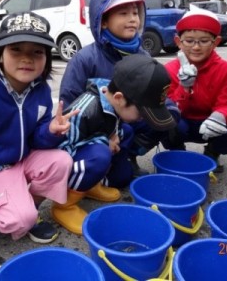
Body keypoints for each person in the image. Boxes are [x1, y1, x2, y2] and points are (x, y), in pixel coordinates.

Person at [0, 12, 78, 244]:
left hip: (23, 158)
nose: (27, 58)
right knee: (19, 220)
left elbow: (37, 138)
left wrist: (50, 131)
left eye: (37, 52)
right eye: (16, 49)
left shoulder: (41, 91)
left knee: (62, 161)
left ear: (47, 57)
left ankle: (27, 206)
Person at [59, 0, 180, 178]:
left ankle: (130, 154)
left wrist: (169, 107)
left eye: (135, 12)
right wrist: (103, 135)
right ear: (103, 21)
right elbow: (69, 108)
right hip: (97, 129)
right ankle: (96, 161)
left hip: (131, 121)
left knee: (170, 118)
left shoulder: (143, 54)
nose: (133, 19)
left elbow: (154, 91)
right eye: (123, 13)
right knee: (119, 179)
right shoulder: (85, 59)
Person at [53, 54, 176, 235]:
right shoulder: (84, 111)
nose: (143, 118)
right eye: (142, 113)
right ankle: (64, 205)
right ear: (119, 97)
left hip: (88, 151)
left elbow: (113, 124)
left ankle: (88, 186)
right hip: (64, 164)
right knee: (100, 155)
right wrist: (104, 142)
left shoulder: (113, 103)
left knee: (125, 132)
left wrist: (113, 136)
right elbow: (62, 150)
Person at [162, 8, 227, 172]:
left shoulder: (225, 69)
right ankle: (178, 152)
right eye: (189, 41)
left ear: (215, 42)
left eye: (203, 41)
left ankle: (212, 152)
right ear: (178, 42)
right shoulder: (170, 69)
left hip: (209, 122)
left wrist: (219, 116)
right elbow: (168, 107)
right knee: (167, 123)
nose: (196, 47)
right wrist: (184, 88)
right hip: (183, 122)